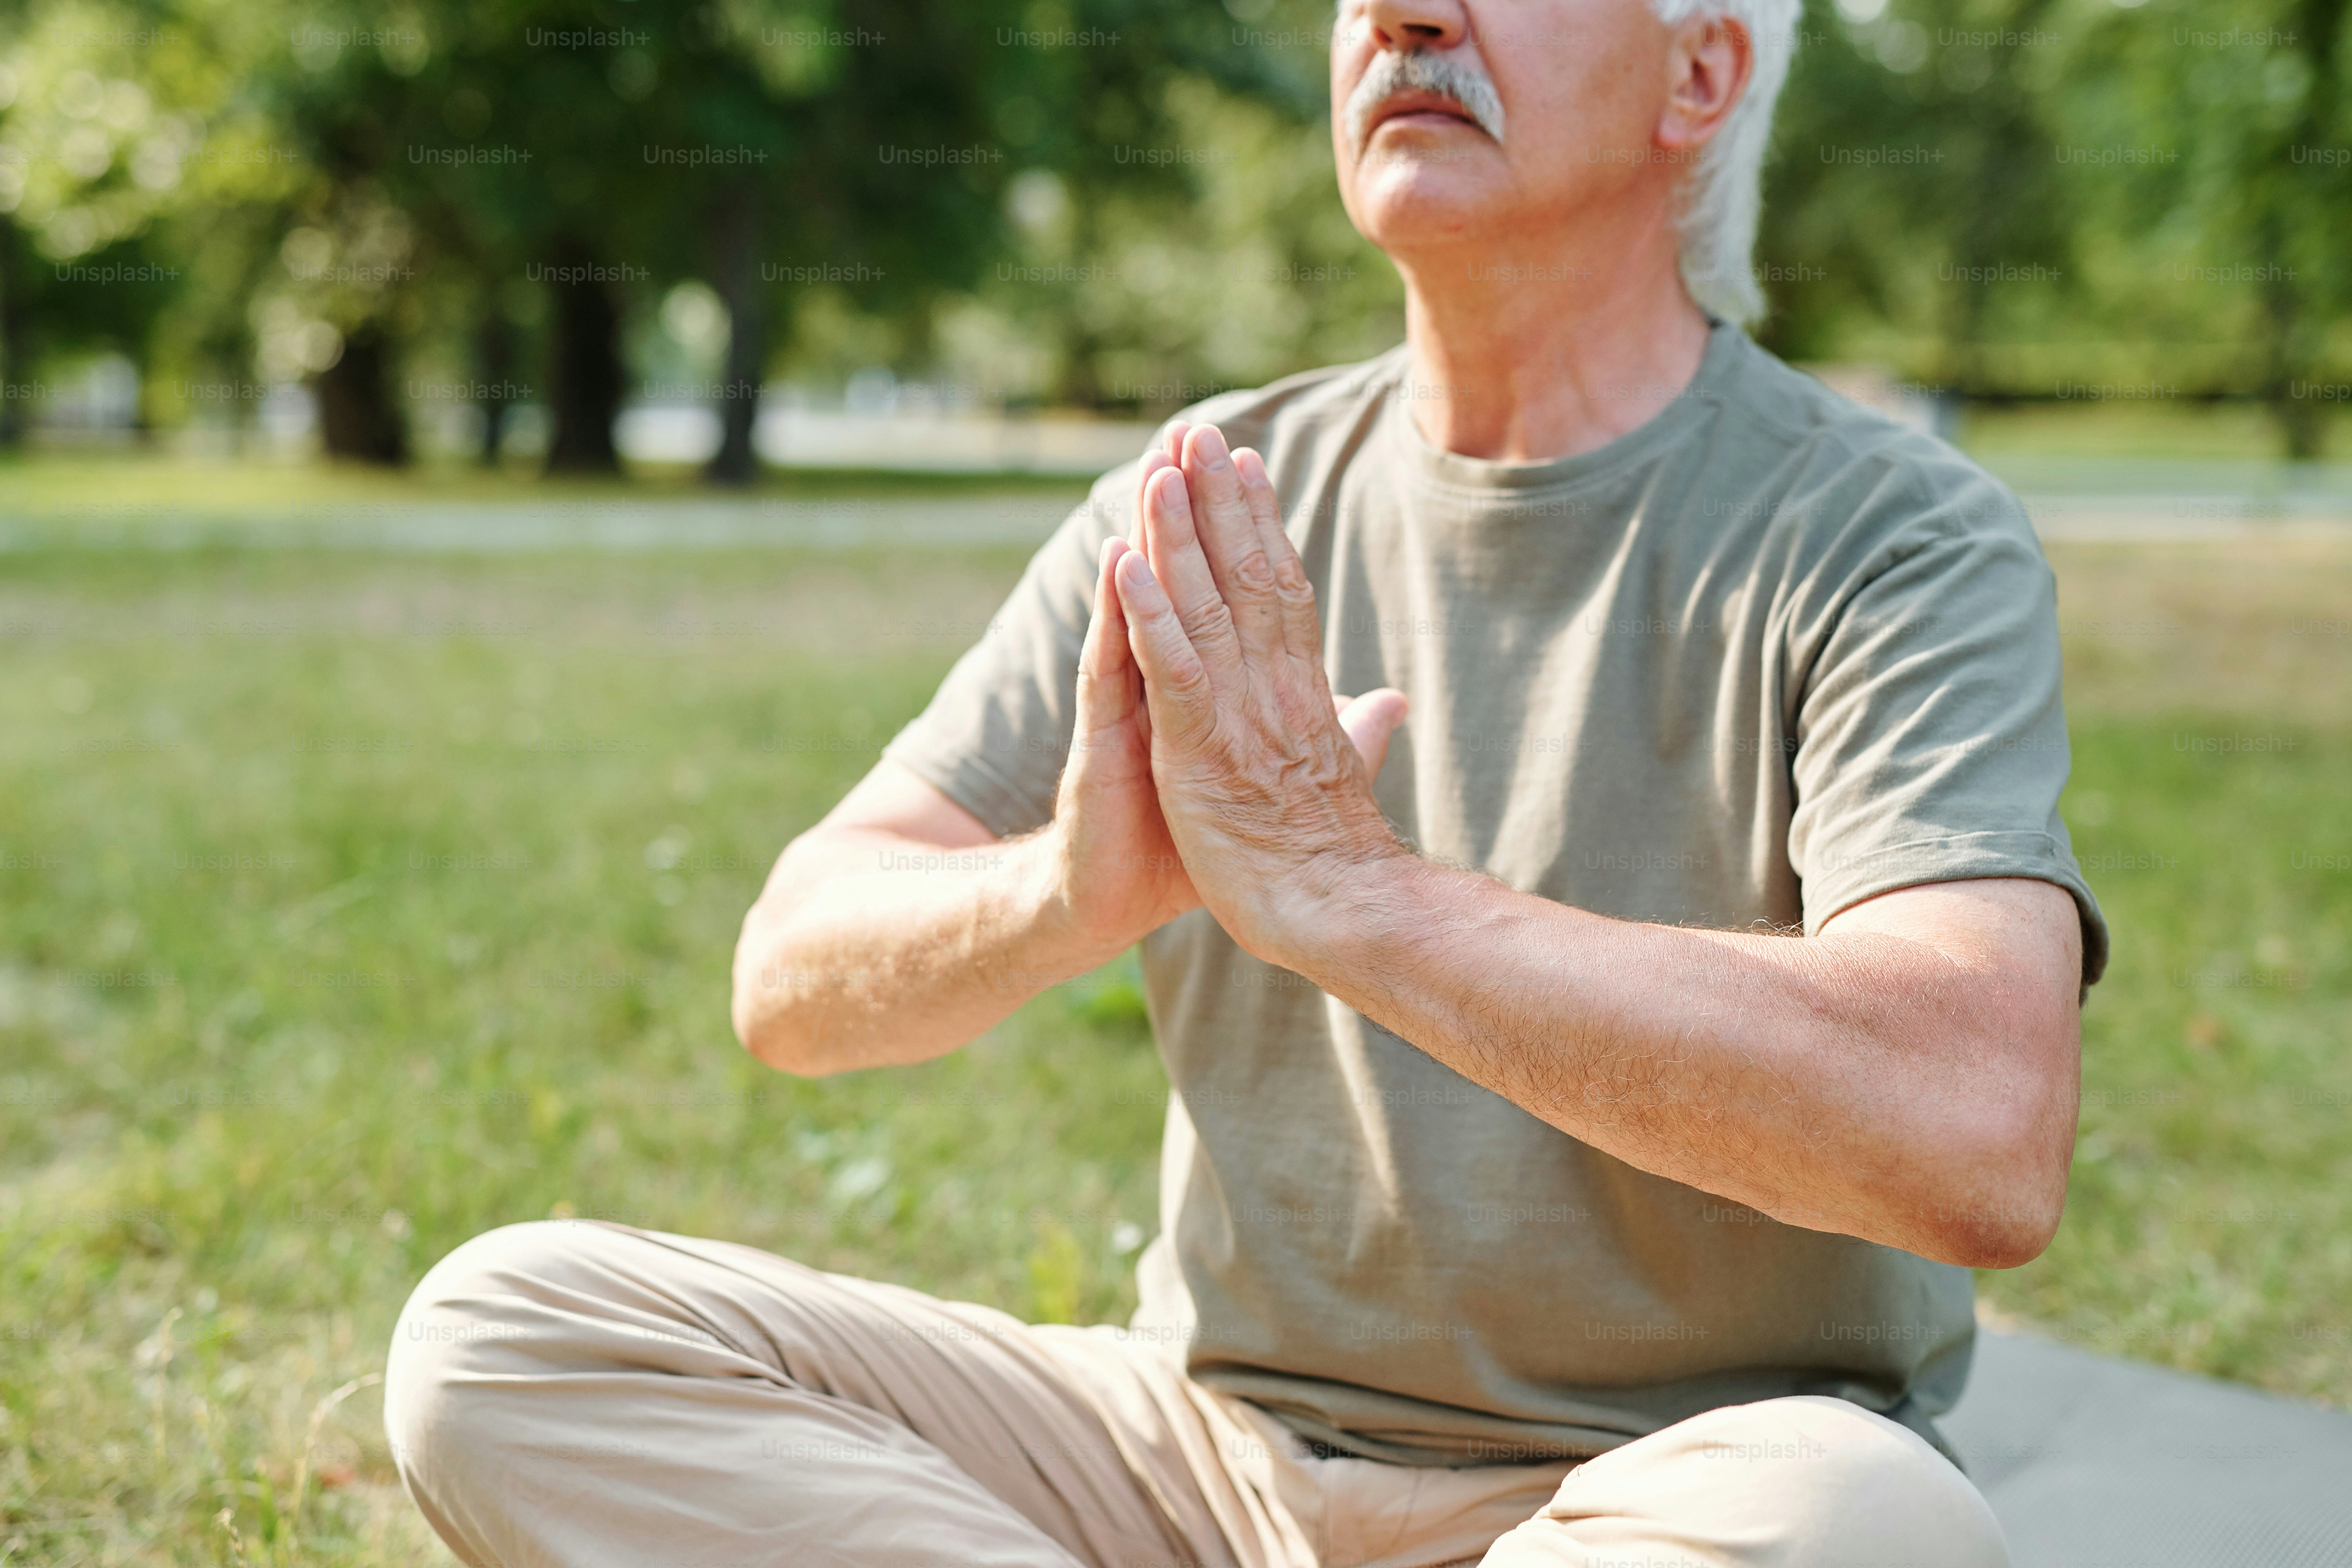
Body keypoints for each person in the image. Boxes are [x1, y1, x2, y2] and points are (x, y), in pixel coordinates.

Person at [384, 0, 2107, 1563]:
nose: (1405, 18)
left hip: (1654, 1489)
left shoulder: (1890, 534)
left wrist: (1354, 899)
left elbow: (1975, 1135)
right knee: (509, 1338)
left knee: (1866, 1526)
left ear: (1702, 72)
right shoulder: (1210, 491)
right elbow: (793, 980)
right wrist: (1069, 886)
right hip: (1189, 1464)